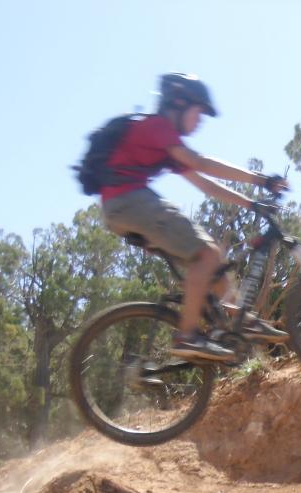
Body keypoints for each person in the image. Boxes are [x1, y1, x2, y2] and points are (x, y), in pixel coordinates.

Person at [98, 73, 289, 363]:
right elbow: (201, 163)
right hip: (130, 202)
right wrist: (260, 179)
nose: (200, 121)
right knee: (207, 253)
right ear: (178, 104)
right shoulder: (157, 127)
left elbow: (206, 185)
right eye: (199, 112)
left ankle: (243, 320)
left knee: (213, 262)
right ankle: (187, 336)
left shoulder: (164, 145)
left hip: (123, 207)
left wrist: (251, 204)